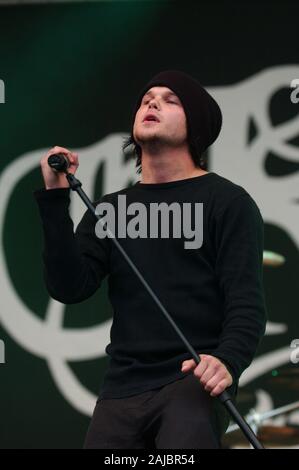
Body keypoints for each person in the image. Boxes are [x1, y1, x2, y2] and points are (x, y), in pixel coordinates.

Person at [33, 70, 267, 449]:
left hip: (191, 380)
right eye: (146, 99)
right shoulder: (112, 208)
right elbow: (68, 287)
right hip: (122, 386)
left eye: (170, 100)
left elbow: (247, 302)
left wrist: (228, 360)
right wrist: (56, 198)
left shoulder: (227, 203)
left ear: (197, 126)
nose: (152, 103)